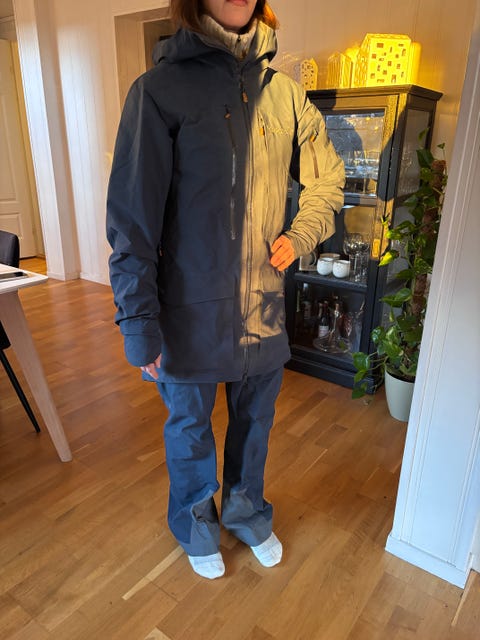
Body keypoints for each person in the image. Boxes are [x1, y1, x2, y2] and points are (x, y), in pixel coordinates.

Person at [106, 0, 344, 580]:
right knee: (190, 429)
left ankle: (246, 513)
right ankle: (194, 523)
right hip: (185, 312)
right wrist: (138, 323)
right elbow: (132, 221)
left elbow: (329, 178)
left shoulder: (286, 96)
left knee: (255, 424)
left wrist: (302, 233)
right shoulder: (157, 92)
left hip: (263, 307)